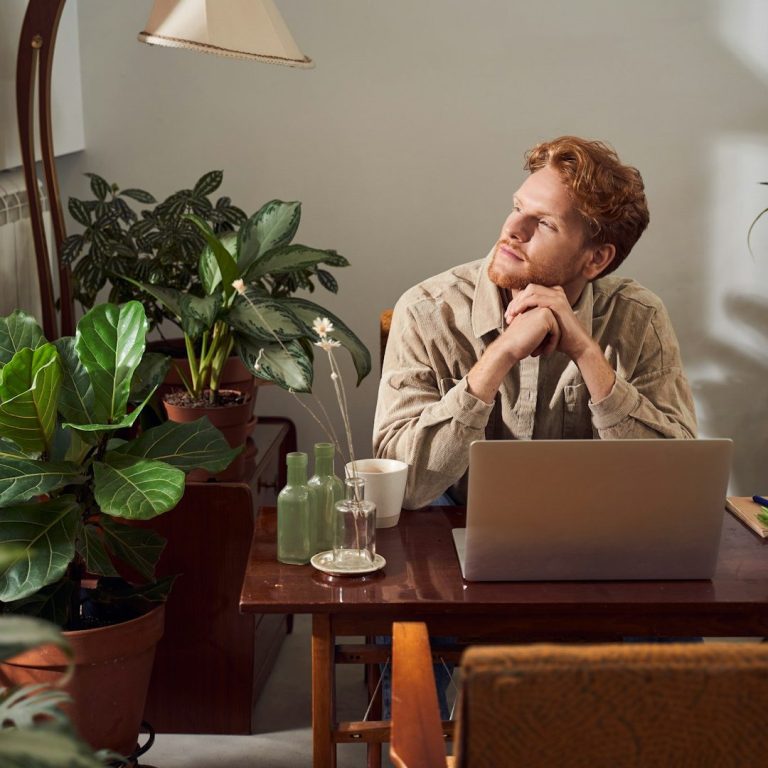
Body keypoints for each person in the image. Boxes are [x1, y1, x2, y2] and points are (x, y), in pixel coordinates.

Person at [373, 135, 696, 508]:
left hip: (593, 536)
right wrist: (501, 354)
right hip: (453, 530)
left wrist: (586, 352)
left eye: (543, 223)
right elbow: (401, 488)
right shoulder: (426, 311)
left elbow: (677, 483)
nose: (512, 229)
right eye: (517, 207)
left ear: (595, 260)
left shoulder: (640, 317)